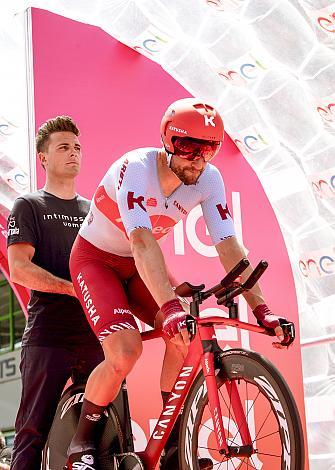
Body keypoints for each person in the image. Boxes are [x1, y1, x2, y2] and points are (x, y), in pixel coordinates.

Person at [65, 98, 294, 470]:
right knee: (125, 353)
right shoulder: (136, 168)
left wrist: (263, 309)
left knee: (183, 335)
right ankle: (81, 442)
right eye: (188, 146)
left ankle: (171, 447)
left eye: (210, 148)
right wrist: (169, 305)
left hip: (141, 263)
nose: (198, 158)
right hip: (97, 260)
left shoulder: (209, 180)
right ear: (167, 141)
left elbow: (230, 248)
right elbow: (140, 241)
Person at [7, 116, 104, 470]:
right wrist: (71, 289)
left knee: (98, 441)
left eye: (77, 147)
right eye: (63, 147)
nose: (73, 153)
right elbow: (19, 268)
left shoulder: (94, 211)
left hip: (96, 338)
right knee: (32, 434)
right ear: (42, 157)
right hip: (47, 336)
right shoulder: (28, 205)